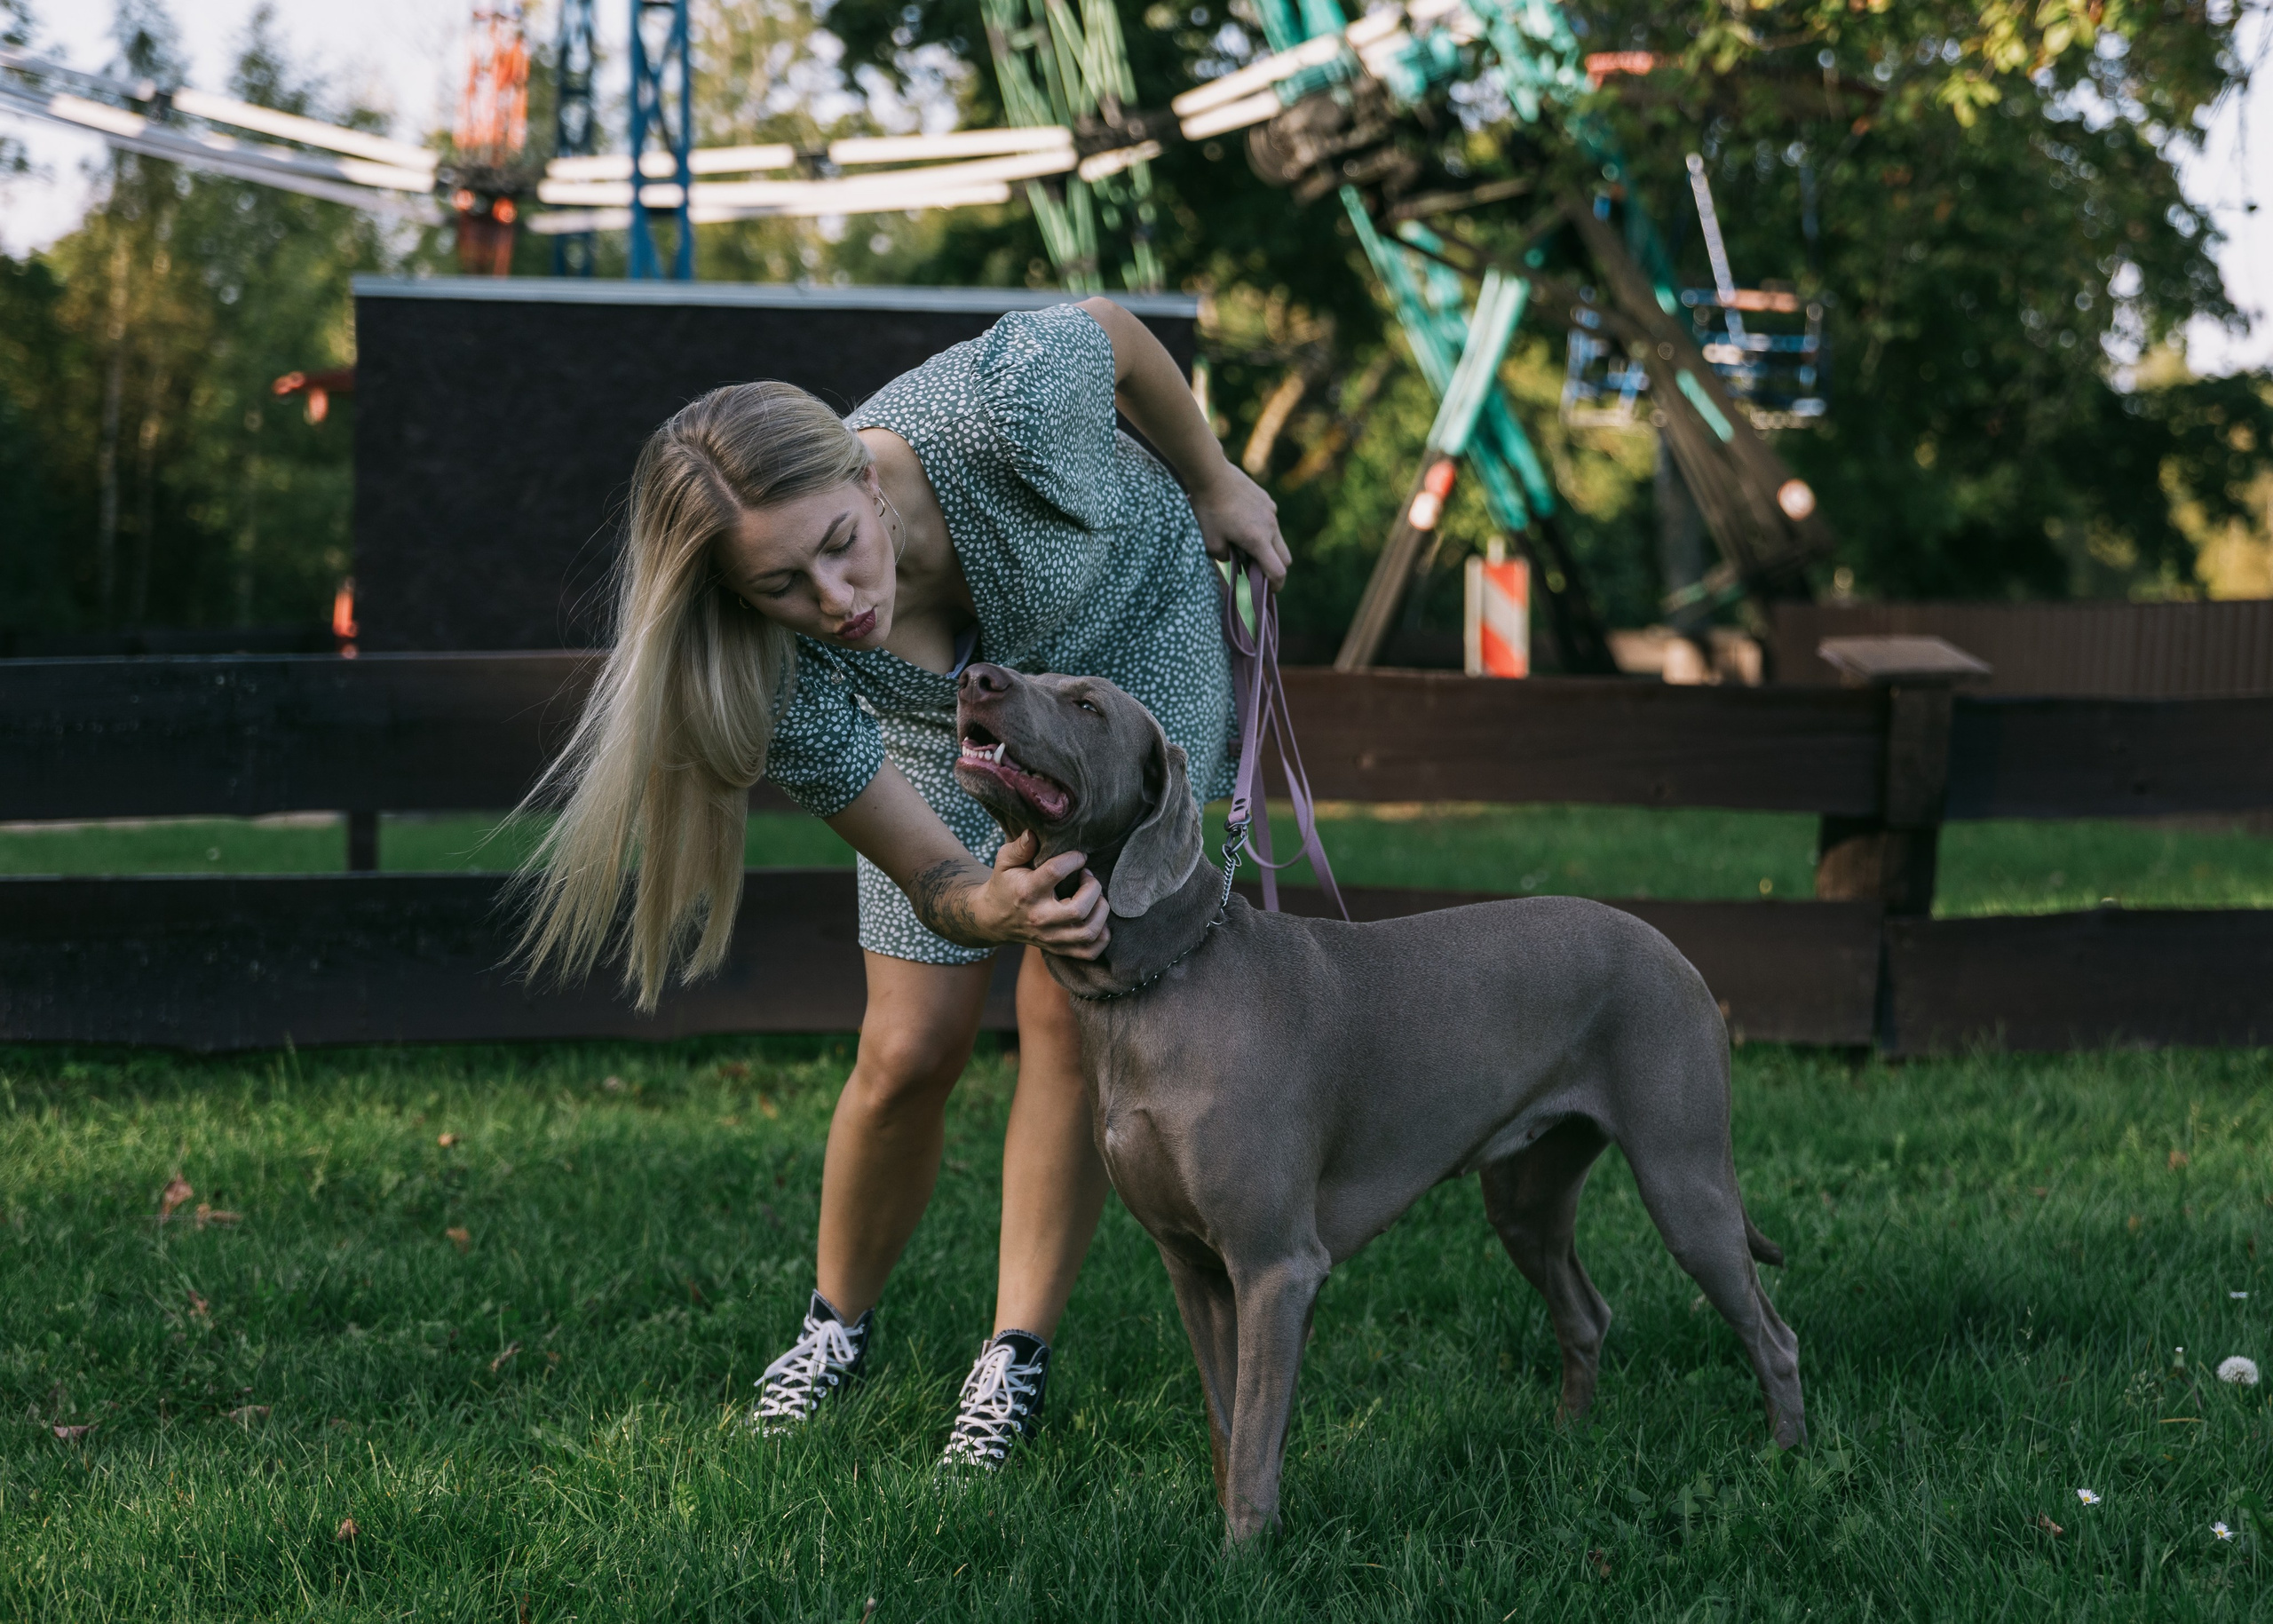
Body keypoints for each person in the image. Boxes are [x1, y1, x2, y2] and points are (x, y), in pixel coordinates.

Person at [517, 297, 1289, 1470]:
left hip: (1125, 650)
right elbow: (934, 869)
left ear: (864, 477)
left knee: (1065, 1007)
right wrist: (983, 902)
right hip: (930, 725)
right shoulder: (772, 665)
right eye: (782, 584)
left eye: (838, 542)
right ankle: (834, 1326)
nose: (837, 599)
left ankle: (1013, 1353)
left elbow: (1120, 335)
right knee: (906, 1046)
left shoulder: (1006, 404)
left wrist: (1217, 478)